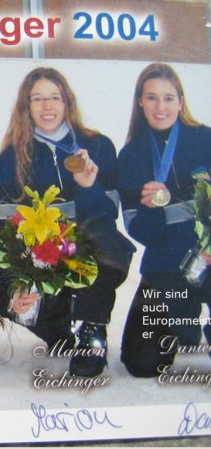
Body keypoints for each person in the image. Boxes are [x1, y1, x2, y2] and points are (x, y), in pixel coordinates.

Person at [0, 67, 135, 377]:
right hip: (40, 256)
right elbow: (2, 231)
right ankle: (59, 327)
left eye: (55, 97)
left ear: (67, 102)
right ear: (26, 106)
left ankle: (91, 329)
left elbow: (108, 214)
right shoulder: (9, 159)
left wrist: (87, 187)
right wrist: (18, 284)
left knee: (106, 245)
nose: (47, 106)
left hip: (86, 248)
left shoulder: (99, 146)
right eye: (37, 99)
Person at [117, 63, 211, 377]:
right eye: (152, 97)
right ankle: (184, 322)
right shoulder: (131, 156)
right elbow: (142, 233)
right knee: (142, 363)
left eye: (168, 98)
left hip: (209, 258)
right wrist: (152, 207)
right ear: (140, 102)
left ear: (181, 102)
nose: (161, 107)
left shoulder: (205, 139)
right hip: (166, 265)